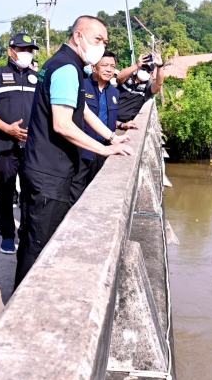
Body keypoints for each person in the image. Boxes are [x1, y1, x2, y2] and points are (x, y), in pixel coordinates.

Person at [16, 16, 133, 287]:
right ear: (78, 37)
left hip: (42, 166)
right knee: (39, 243)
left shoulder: (64, 64)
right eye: (97, 40)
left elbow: (84, 110)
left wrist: (112, 138)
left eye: (105, 42)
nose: (102, 47)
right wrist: (103, 151)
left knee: (36, 237)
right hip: (49, 172)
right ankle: (23, 305)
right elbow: (63, 125)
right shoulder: (67, 69)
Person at [0, 33, 39, 254]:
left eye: (29, 50)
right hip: (5, 144)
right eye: (22, 49)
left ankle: (26, 231)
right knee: (5, 190)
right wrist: (8, 129)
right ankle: (6, 235)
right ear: (11, 50)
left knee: (30, 191)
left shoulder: (37, 77)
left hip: (31, 146)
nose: (26, 53)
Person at [69, 51, 137, 203]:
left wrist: (121, 125)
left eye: (112, 66)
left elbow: (107, 117)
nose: (109, 69)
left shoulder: (114, 92)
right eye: (104, 65)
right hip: (82, 150)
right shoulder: (81, 86)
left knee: (97, 191)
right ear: (94, 67)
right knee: (76, 192)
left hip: (104, 150)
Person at [115, 52, 165, 122]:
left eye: (148, 70)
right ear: (139, 68)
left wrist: (160, 66)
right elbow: (119, 77)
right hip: (108, 116)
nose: (145, 71)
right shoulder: (127, 78)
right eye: (143, 68)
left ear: (151, 74)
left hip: (124, 123)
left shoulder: (147, 89)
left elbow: (159, 83)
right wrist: (137, 65)